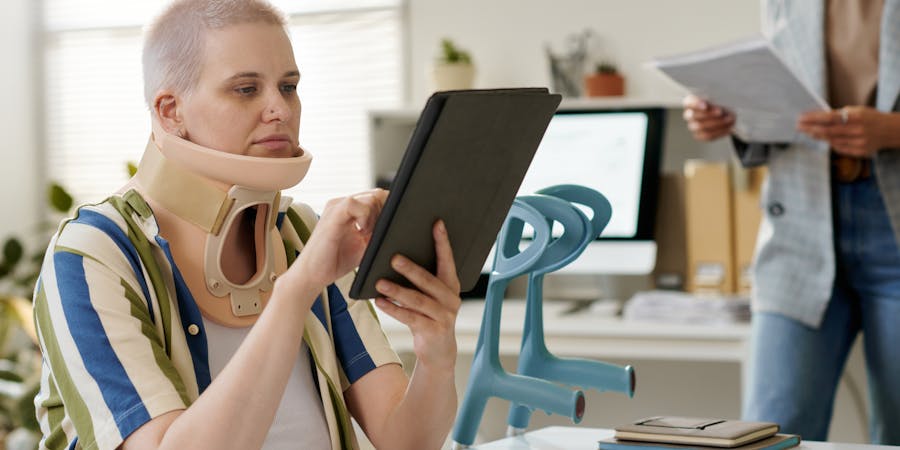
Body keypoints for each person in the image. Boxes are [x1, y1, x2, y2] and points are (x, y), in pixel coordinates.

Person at [32, 1, 462, 449]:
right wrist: (296, 290)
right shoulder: (92, 256)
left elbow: (406, 440)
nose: (279, 108)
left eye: (289, 86)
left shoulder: (302, 232)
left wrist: (436, 356)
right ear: (169, 111)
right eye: (245, 89)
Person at [682, 0, 900, 444]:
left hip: (891, 222)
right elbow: (780, 105)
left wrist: (894, 131)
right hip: (799, 221)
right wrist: (730, 119)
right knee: (770, 430)